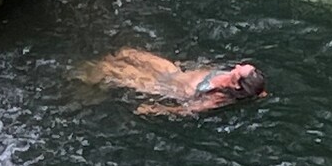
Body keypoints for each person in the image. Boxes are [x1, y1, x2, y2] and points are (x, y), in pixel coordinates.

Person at [78, 48, 267, 115]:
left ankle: (84, 81)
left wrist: (156, 110)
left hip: (163, 86)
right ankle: (94, 76)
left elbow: (190, 110)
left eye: (240, 70)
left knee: (109, 69)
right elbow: (259, 92)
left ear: (236, 84)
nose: (237, 65)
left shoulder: (218, 98)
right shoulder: (242, 81)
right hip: (173, 71)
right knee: (126, 53)